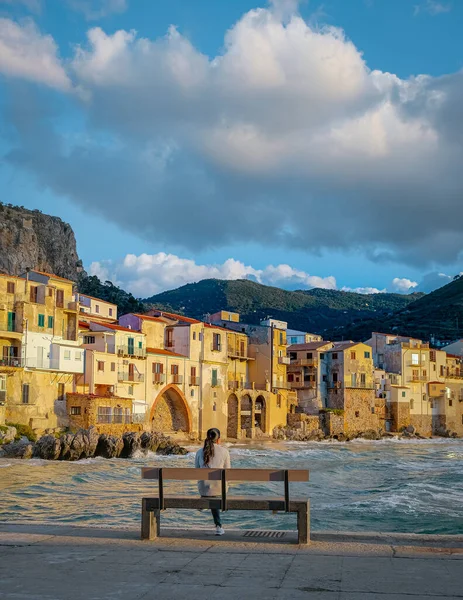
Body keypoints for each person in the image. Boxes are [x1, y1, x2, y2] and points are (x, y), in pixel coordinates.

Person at [195, 428, 231, 536]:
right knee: (218, 489)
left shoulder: (199, 452)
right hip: (220, 490)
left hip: (204, 490)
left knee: (209, 488)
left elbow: (196, 471)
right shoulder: (225, 451)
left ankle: (204, 502)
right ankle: (218, 526)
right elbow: (228, 472)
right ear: (218, 439)